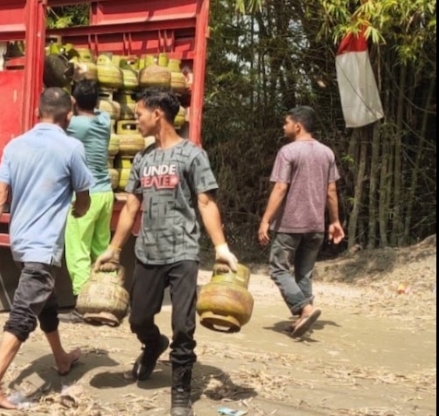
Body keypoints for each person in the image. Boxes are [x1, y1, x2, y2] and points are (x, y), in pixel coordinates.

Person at [94, 86, 238, 416]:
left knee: (183, 326)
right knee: (139, 317)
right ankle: (152, 344)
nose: (135, 121)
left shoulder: (192, 155)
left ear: (157, 114)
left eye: (139, 115)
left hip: (183, 252)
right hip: (147, 250)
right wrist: (113, 249)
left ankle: (181, 392)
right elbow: (131, 207)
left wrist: (222, 248)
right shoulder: (143, 158)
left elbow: (206, 202)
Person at [0, 87, 95, 409]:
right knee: (23, 315)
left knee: (47, 303)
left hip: (20, 244)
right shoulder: (71, 147)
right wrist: (80, 208)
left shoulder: (14, 146)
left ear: (37, 112)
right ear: (68, 116)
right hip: (43, 248)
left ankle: (60, 358)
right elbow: (84, 195)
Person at [258, 105, 345, 339]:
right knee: (304, 274)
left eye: (286, 123)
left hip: (290, 224)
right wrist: (334, 221)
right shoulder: (327, 153)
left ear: (297, 126)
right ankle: (301, 320)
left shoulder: (288, 152)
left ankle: (305, 308)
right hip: (316, 225)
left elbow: (280, 188)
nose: (283, 126)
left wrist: (266, 220)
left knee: (278, 269)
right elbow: (331, 190)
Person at [63, 79, 115, 309]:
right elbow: (98, 111)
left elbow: (58, 120)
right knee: (101, 249)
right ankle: (109, 295)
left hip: (86, 196)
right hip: (106, 194)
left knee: (78, 249)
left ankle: (83, 302)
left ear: (74, 101)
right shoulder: (105, 120)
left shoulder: (75, 125)